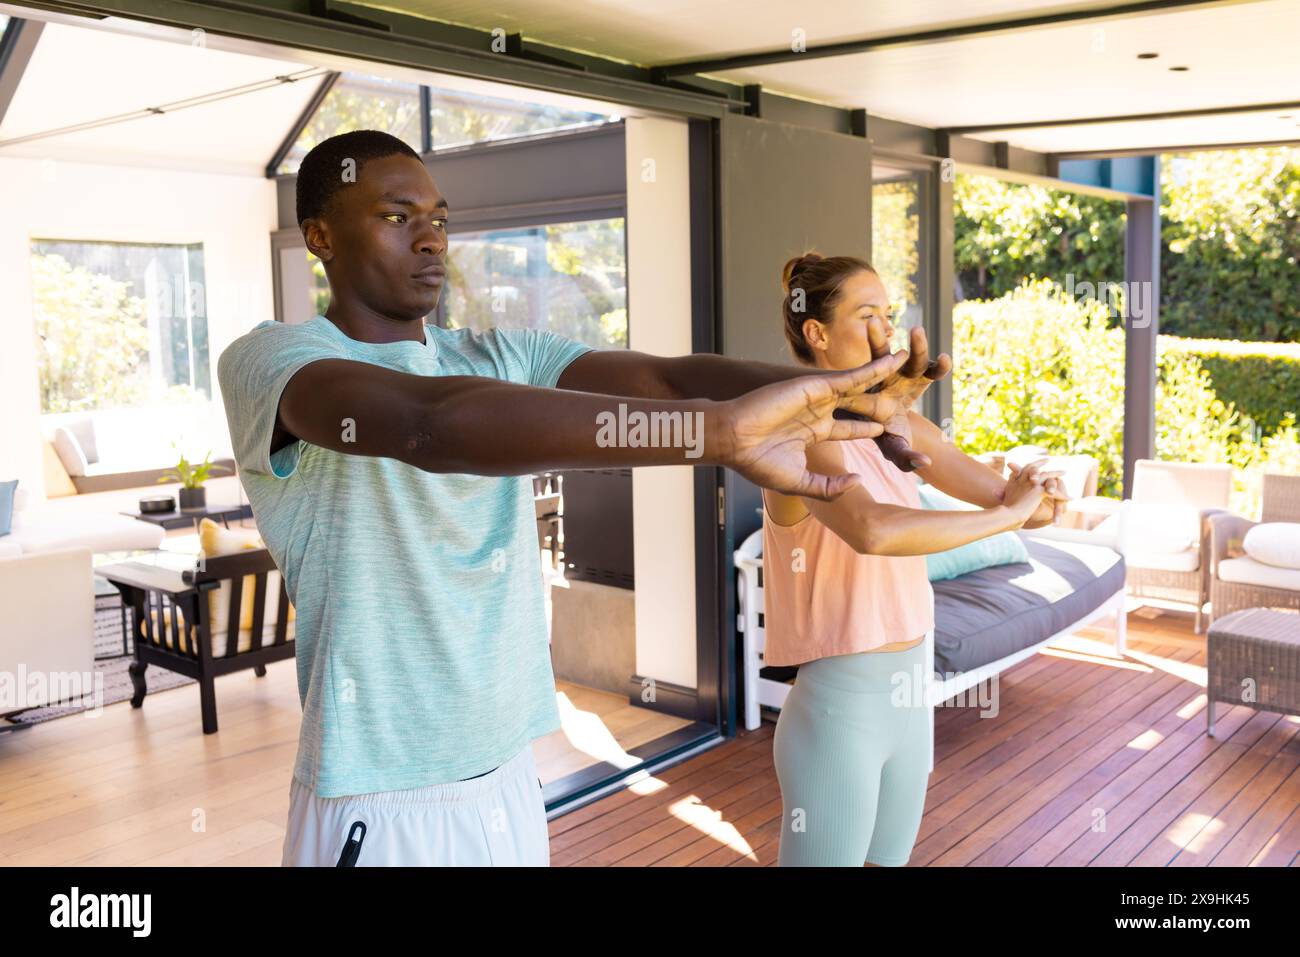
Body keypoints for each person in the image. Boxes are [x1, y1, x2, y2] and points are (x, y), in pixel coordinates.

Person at [216, 131, 944, 866]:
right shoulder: (276, 361)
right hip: (376, 797)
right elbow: (425, 424)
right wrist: (714, 434)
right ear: (319, 236)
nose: (432, 239)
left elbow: (666, 379)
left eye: (439, 217)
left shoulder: (499, 355)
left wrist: (856, 402)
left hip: (507, 780)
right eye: (397, 217)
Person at [761, 252, 1069, 867]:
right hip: (838, 708)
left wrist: (1038, 493)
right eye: (866, 314)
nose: (886, 330)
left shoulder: (899, 426)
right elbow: (872, 530)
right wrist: (1008, 515)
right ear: (818, 334)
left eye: (889, 313)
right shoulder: (796, 441)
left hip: (910, 692)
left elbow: (1012, 503)